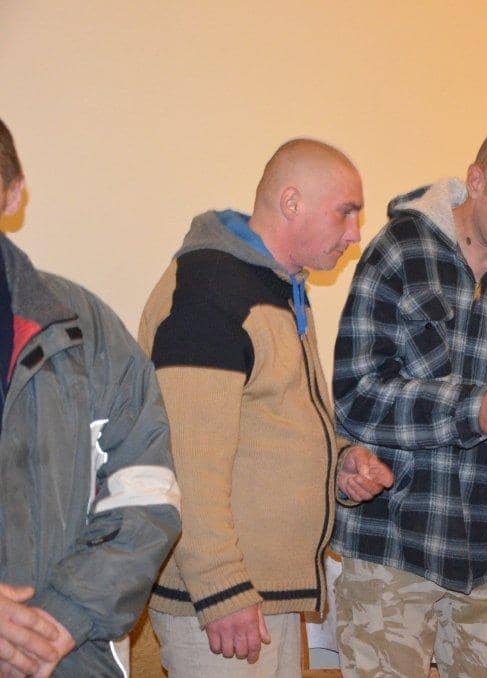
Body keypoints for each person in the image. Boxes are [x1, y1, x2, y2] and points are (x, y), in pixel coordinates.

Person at [138, 138, 393, 677]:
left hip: (263, 596)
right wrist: (221, 589)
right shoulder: (209, 293)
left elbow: (272, 422)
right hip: (220, 604)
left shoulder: (274, 287)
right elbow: (186, 460)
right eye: (345, 212)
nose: (355, 234)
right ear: (291, 202)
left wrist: (338, 460)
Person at [331, 122, 487, 677]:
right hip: (393, 543)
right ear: (476, 180)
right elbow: (355, 395)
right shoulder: (400, 251)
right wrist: (472, 409)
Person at [0, 117, 181, 676]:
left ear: (13, 193)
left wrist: (60, 619)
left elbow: (146, 488)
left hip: (69, 655)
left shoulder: (85, 330)